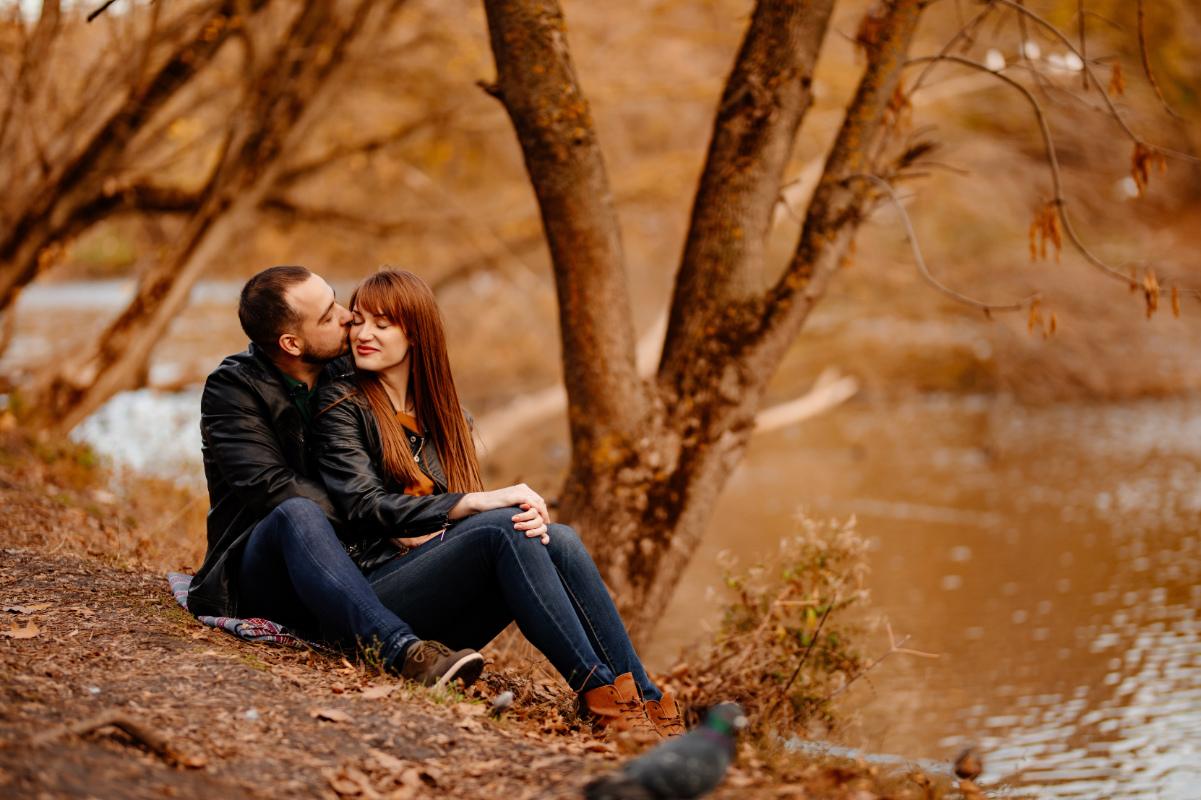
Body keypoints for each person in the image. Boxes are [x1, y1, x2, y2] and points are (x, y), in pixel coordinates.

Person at [312, 268, 685, 736]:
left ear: (416, 332)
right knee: (503, 524)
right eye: (359, 320)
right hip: (371, 603)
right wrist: (466, 506)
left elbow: (447, 527)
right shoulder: (341, 403)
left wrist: (450, 523)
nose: (364, 334)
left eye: (382, 324)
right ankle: (603, 697)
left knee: (559, 538)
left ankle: (645, 701)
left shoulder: (449, 418)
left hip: (437, 616)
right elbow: (363, 506)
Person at [187, 265, 484, 689]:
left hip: (353, 562)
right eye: (328, 316)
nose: (349, 317)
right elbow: (271, 488)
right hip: (262, 567)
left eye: (336, 300)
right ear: (291, 343)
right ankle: (401, 651)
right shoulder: (232, 390)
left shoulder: (346, 367)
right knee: (297, 511)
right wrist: (387, 524)